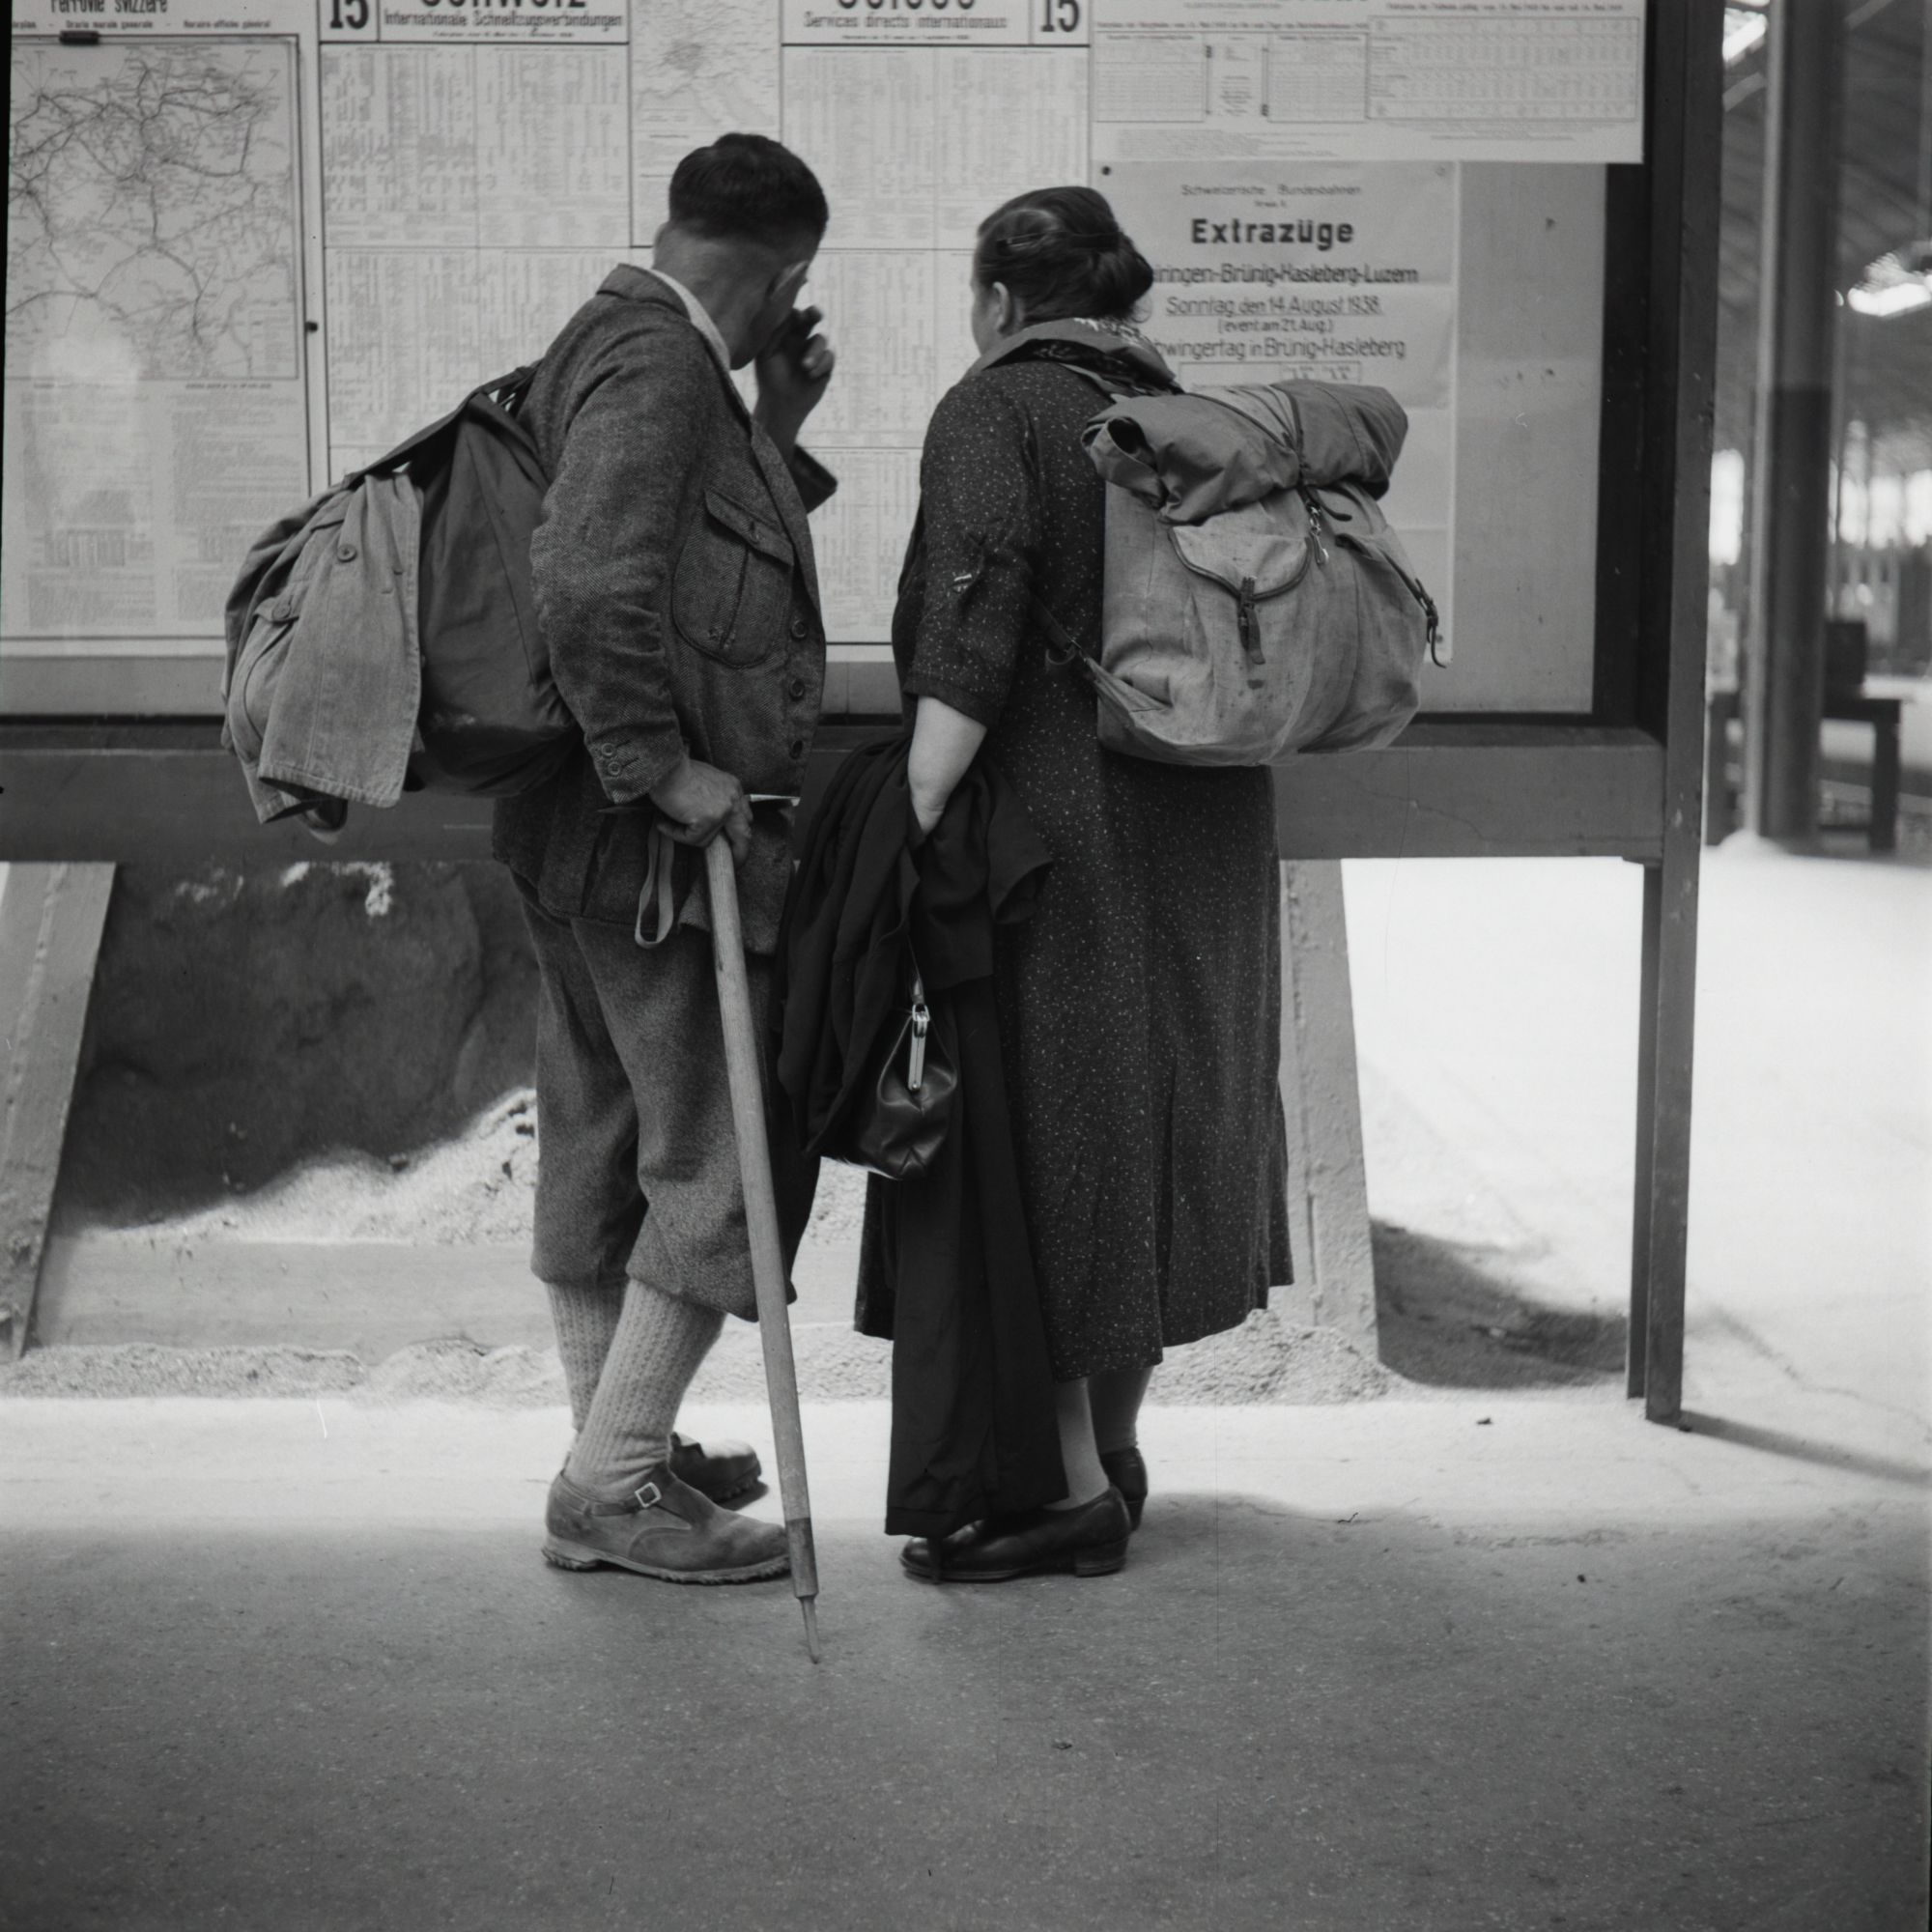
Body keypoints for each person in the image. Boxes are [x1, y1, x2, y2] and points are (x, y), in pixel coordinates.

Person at [889, 186, 1293, 1582]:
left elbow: (974, 614)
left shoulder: (996, 410)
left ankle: (1064, 1495)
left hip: (1066, 825)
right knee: (1163, 1117)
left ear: (999, 299)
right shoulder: (1184, 413)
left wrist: (920, 801)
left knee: (1053, 1130)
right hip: (1210, 820)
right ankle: (1112, 1451)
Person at [493, 134, 837, 1584]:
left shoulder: (623, 340)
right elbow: (593, 581)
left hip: (577, 844)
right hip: (644, 850)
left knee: (604, 1148)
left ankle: (610, 1469)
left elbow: (685, 560)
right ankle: (613, 1479)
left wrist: (779, 419)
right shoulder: (658, 368)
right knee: (713, 1160)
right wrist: (662, 766)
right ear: (785, 271)